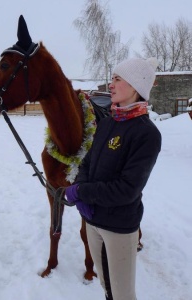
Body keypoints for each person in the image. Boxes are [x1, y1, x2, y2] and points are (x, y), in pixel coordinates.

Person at [65, 57, 162, 300]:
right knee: (107, 289)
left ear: (135, 87)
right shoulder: (107, 123)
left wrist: (82, 193)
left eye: (117, 79)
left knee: (122, 295)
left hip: (119, 227)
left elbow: (126, 189)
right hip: (92, 221)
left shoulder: (147, 134)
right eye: (112, 79)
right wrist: (79, 187)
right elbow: (87, 162)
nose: (111, 84)